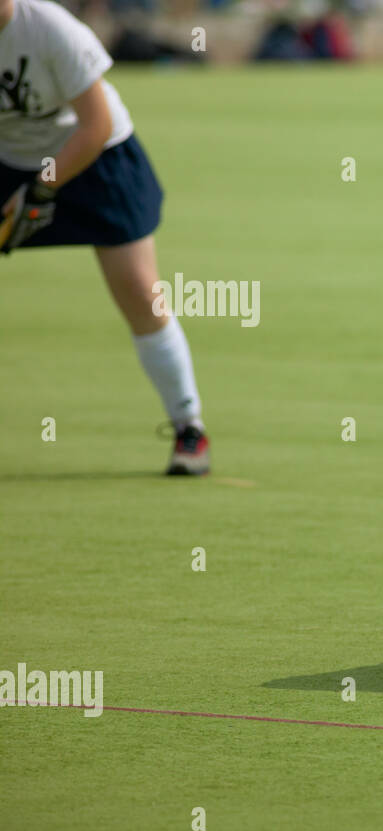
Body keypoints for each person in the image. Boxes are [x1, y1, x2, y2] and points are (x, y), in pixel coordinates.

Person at [0, 0, 208, 475]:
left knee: (139, 291)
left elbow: (97, 125)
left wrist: (41, 188)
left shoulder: (49, 28)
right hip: (12, 161)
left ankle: (188, 428)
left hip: (98, 157)